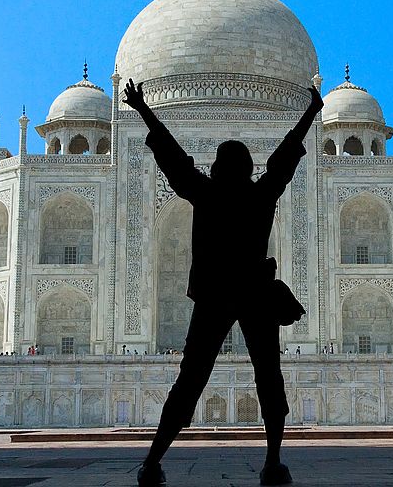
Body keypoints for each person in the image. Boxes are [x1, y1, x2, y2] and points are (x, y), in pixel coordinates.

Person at [123, 77, 323, 487]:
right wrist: (310, 114)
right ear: (250, 169)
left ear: (214, 167)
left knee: (190, 380)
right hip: (254, 294)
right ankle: (272, 462)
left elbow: (173, 159)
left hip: (215, 296)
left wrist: (143, 111)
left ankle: (152, 462)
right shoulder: (261, 194)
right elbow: (286, 156)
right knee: (269, 377)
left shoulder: (206, 193)